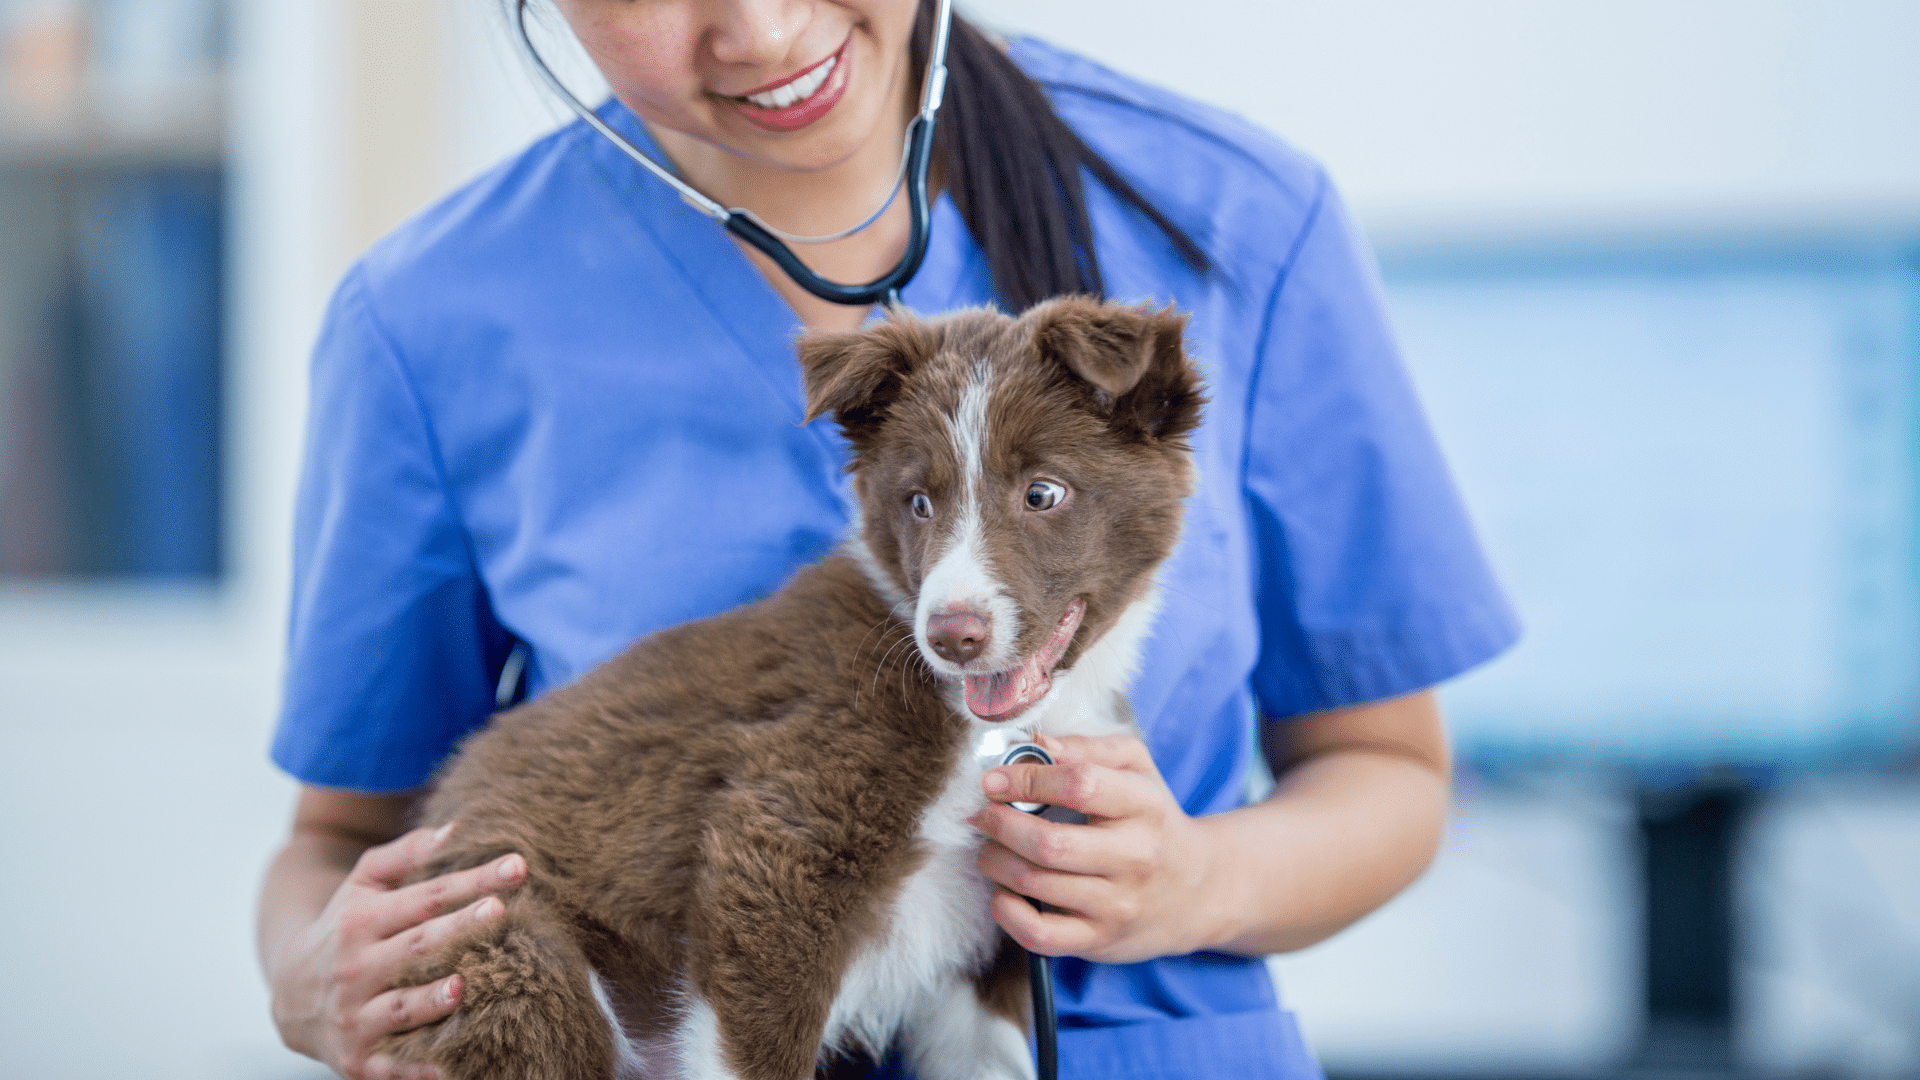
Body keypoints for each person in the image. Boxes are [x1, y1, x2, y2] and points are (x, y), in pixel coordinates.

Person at [255, 1, 1519, 1078]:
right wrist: (311, 982)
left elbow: (1389, 772)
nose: (761, 29)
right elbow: (341, 846)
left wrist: (1194, 881)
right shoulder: (429, 318)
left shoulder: (1238, 217)